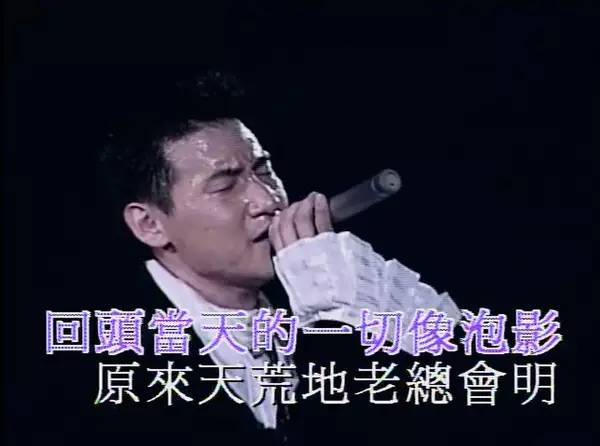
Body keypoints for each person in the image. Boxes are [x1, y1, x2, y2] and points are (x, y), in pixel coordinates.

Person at [36, 72, 460, 445]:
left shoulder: (322, 291)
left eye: (264, 171)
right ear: (150, 225)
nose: (268, 200)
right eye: (225, 186)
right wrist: (335, 326)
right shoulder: (100, 361)